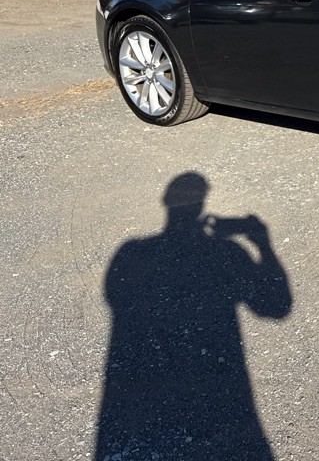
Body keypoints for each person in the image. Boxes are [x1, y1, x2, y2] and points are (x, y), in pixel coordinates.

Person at [95, 172, 291, 461]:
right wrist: (263, 243)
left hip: (145, 387)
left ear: (164, 202)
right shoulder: (228, 251)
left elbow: (114, 296)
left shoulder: (132, 252)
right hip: (221, 387)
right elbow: (276, 307)